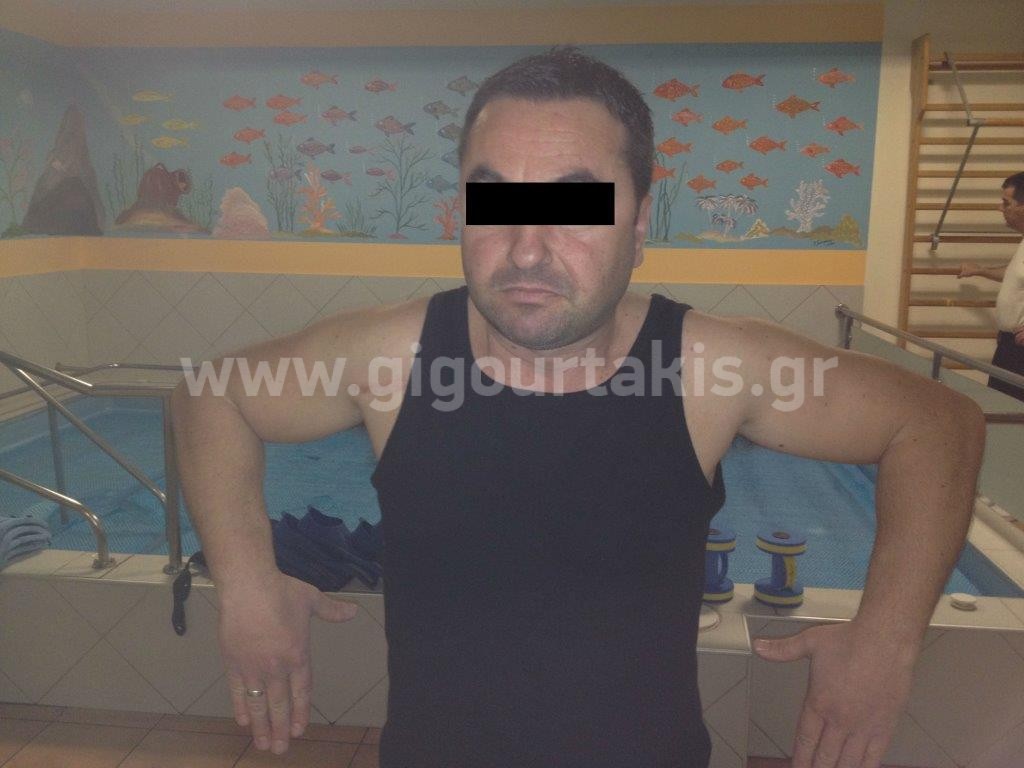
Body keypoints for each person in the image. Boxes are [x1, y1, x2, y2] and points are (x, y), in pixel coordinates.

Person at [171, 47, 985, 768]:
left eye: (577, 206)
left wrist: (886, 640)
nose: (527, 247)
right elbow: (211, 395)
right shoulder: (391, 360)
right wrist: (246, 582)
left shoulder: (709, 370)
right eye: (493, 201)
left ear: (640, 222)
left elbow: (938, 424)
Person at [958, 171, 1024, 401]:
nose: (1000, 208)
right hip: (1009, 345)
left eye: (1006, 203)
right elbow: (1016, 276)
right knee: (999, 407)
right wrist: (981, 271)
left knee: (1011, 413)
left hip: (1020, 349)